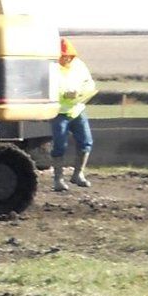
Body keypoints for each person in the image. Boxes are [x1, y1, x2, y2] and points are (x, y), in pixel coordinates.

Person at [52, 39, 97, 191]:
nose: (66, 58)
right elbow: (46, 88)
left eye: (69, 55)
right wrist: (64, 95)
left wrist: (80, 93)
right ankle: (58, 180)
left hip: (78, 109)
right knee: (60, 145)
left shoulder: (79, 65)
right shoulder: (51, 68)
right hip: (59, 112)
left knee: (86, 142)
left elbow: (89, 84)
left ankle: (78, 174)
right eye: (63, 55)